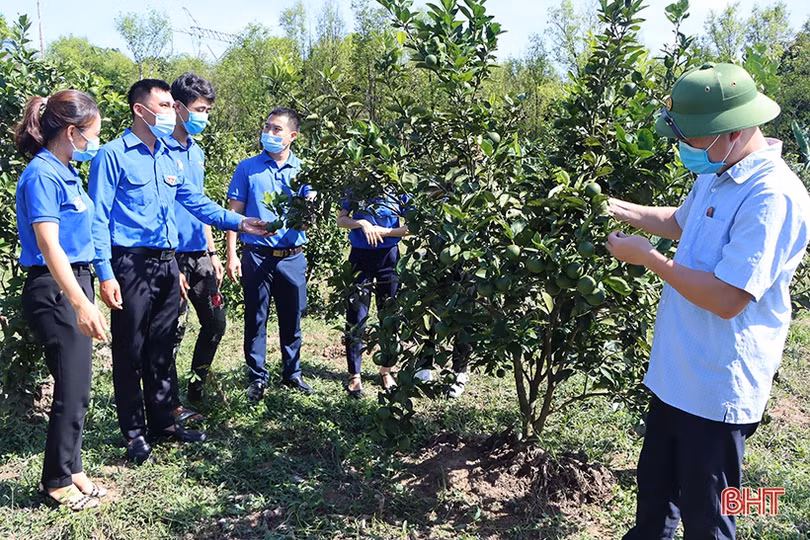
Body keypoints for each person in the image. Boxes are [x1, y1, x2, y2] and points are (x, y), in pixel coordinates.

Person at [606, 62, 810, 539]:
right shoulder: (720, 169)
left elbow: (727, 299)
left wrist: (649, 259)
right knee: (654, 499)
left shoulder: (772, 195)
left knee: (709, 516)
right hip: (677, 375)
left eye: (693, 138)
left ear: (733, 132)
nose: (686, 148)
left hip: (717, 387)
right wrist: (620, 210)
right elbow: (680, 222)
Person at [89, 79, 268, 465]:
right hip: (129, 264)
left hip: (167, 264)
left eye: (173, 105)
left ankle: (163, 423)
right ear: (141, 110)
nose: (172, 111)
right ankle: (134, 433)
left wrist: (240, 224)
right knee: (130, 351)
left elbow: (196, 202)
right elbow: (97, 220)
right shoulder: (113, 156)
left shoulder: (169, 156)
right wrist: (105, 274)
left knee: (161, 346)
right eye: (166, 105)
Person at [14, 90, 108, 510]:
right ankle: (55, 481)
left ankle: (73, 468)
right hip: (54, 289)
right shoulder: (42, 175)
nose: (94, 144)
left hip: (74, 282)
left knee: (79, 386)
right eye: (92, 135)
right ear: (71, 132)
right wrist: (80, 302)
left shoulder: (65, 172)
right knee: (70, 387)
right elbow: (49, 246)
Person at [226, 107, 314, 401]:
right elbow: (233, 215)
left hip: (291, 255)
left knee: (293, 317)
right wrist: (232, 254)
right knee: (256, 317)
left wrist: (309, 210)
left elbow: (310, 217)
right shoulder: (247, 168)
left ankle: (292, 373)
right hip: (256, 255)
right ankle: (257, 377)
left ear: (292, 136)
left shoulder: (304, 171)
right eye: (267, 128)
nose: (269, 134)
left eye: (277, 129)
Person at [166, 73, 225, 415]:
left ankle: (197, 384)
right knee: (173, 331)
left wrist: (212, 250)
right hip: (171, 256)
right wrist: (170, 265)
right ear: (178, 107)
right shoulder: (160, 151)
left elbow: (201, 205)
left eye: (207, 110)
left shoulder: (196, 151)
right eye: (200, 109)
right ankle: (169, 405)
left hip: (200, 254)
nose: (205, 116)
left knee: (216, 322)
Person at [337, 194, 409, 398]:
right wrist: (361, 223)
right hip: (360, 257)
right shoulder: (356, 187)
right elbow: (341, 219)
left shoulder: (397, 189)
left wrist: (385, 232)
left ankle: (386, 370)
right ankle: (354, 375)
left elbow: (413, 226)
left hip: (389, 257)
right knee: (356, 315)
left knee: (389, 314)